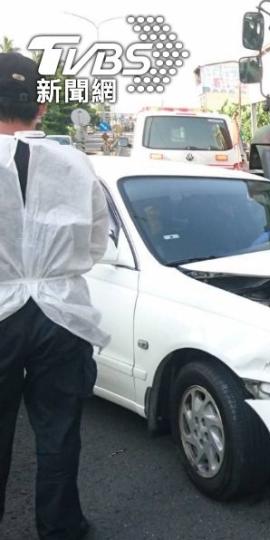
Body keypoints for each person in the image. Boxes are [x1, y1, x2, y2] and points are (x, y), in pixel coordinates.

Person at [0, 52, 110, 539]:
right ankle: (61, 528)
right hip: (61, 314)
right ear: (40, 107)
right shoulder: (75, 163)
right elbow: (95, 244)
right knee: (59, 432)